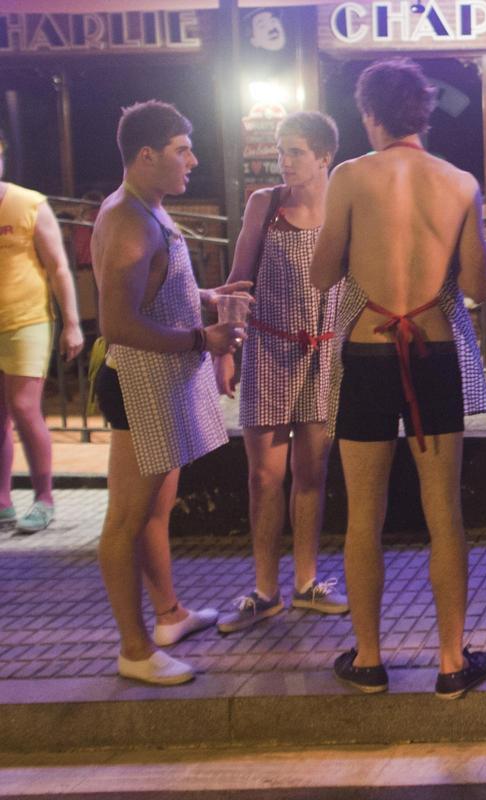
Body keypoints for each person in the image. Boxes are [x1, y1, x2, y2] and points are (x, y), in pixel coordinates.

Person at [310, 58, 486, 698]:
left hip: (366, 352)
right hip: (434, 353)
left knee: (365, 513)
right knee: (444, 511)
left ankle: (368, 659)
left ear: (370, 115)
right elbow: (476, 285)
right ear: (425, 112)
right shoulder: (460, 182)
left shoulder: (350, 176)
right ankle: (450, 661)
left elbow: (321, 272)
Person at [92, 101, 248, 685]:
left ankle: (168, 616)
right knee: (126, 520)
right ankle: (134, 650)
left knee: (157, 509)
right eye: (182, 149)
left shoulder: (146, 208)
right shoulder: (129, 219)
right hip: (137, 384)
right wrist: (201, 338)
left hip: (160, 385)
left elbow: (158, 283)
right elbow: (118, 323)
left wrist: (206, 295)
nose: (193, 160)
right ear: (147, 155)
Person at [214, 111, 349, 634]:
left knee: (312, 472)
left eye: (294, 151)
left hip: (324, 356)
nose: (284, 161)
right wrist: (225, 350)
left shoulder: (343, 208)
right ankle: (265, 589)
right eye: (280, 150)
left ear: (323, 157)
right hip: (270, 351)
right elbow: (237, 281)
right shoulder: (265, 205)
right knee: (264, 477)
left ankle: (307, 582)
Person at [0, 128, 85, 534]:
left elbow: (58, 267)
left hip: (26, 320)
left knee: (23, 408)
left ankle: (44, 499)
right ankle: (2, 503)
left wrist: (72, 323)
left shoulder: (29, 204)